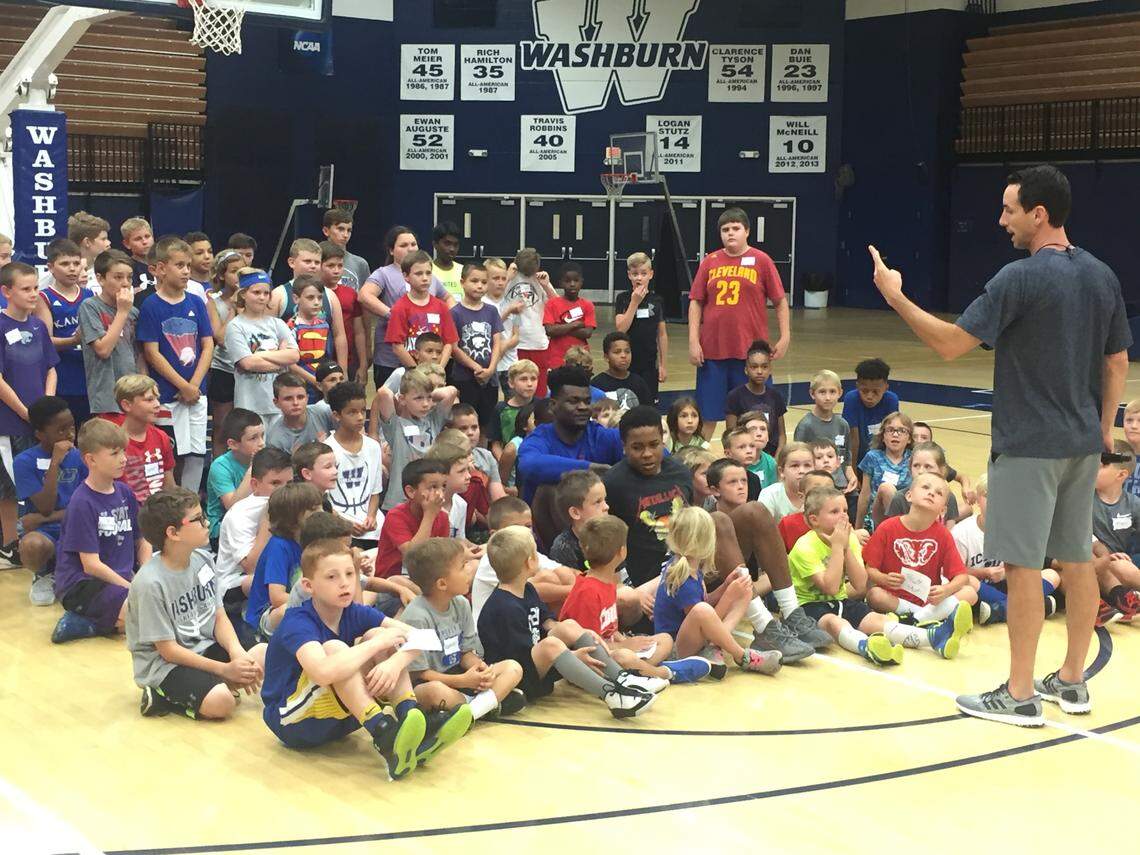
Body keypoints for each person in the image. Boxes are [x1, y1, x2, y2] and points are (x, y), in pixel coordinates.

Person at [260, 538, 456, 780]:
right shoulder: (297, 621)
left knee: (377, 633)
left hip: (343, 722)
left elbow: (425, 639)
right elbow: (322, 672)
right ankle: (385, 735)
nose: (344, 583)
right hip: (291, 722)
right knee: (337, 647)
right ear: (309, 586)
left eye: (350, 574)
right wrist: (378, 644)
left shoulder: (354, 612)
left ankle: (410, 719)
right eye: (332, 577)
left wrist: (394, 662)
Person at [477, 525, 659, 716]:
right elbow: (522, 659)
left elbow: (547, 623)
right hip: (518, 681)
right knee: (551, 645)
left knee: (568, 626)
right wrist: (568, 659)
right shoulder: (504, 607)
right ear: (529, 562)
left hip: (533, 666)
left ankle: (623, 678)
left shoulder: (527, 590)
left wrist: (581, 632)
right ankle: (612, 695)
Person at [129, 488, 267, 720]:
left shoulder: (202, 559)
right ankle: (161, 694)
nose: (207, 522)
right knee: (221, 703)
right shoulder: (150, 583)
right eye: (198, 519)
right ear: (173, 532)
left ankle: (216, 683)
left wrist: (237, 652)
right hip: (165, 664)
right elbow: (168, 651)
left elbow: (219, 616)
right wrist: (224, 669)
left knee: (261, 654)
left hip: (203, 646)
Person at [688, 208, 789, 441]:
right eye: (725, 229)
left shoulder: (762, 260)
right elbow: (696, 302)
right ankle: (695, 463)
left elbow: (780, 302)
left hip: (750, 354)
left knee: (755, 416)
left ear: (747, 231)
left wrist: (785, 337)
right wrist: (693, 341)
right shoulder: (710, 261)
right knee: (707, 416)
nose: (730, 233)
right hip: (712, 351)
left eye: (735, 228)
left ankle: (759, 464)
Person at [401, 537, 527, 719]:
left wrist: (481, 670)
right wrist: (461, 680)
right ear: (442, 584)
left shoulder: (461, 604)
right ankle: (487, 706)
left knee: (513, 668)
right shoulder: (417, 617)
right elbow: (419, 674)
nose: (469, 570)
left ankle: (471, 712)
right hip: (432, 682)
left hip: (461, 678)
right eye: (463, 566)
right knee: (432, 692)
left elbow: (465, 653)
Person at [787, 486, 907, 665]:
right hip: (808, 606)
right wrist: (837, 547)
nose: (843, 516)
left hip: (840, 600)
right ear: (815, 519)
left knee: (875, 619)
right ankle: (867, 646)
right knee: (833, 622)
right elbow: (830, 587)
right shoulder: (804, 546)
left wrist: (846, 547)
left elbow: (860, 585)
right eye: (835, 511)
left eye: (844, 510)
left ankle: (931, 638)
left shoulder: (848, 538)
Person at [653, 508, 782, 673]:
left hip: (693, 638)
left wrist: (725, 586)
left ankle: (713, 649)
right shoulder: (683, 578)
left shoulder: (688, 565)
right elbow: (704, 617)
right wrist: (728, 596)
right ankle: (743, 656)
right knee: (704, 610)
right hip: (675, 651)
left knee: (746, 591)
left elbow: (703, 605)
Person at [862, 473, 977, 659]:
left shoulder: (943, 535)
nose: (931, 493)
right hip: (894, 598)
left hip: (929, 600)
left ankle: (913, 622)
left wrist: (946, 590)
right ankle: (930, 621)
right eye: (925, 488)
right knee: (874, 595)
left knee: (970, 593)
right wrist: (883, 578)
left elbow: (961, 577)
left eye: (938, 493)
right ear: (908, 495)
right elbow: (869, 568)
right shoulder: (887, 528)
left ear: (943, 510)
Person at [50, 419, 145, 643]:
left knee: (149, 612)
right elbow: (90, 565)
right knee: (145, 615)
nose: (123, 459)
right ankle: (89, 620)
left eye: (123, 451)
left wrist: (145, 576)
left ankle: (92, 623)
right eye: (114, 453)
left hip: (119, 581)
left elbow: (142, 539)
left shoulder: (124, 492)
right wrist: (133, 588)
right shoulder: (82, 502)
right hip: (82, 583)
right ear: (91, 460)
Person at [136, 236, 214, 494]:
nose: (186, 271)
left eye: (188, 266)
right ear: (160, 269)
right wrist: (182, 385)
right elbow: (151, 352)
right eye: (179, 265)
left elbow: (208, 345)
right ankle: (168, 502)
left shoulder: (195, 302)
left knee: (196, 453)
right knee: (171, 454)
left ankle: (190, 501)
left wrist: (194, 385)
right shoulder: (151, 305)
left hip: (196, 393)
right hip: (168, 395)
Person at [0, 261, 59, 565]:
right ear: (6, 292)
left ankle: (35, 540)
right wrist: (26, 411)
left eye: (36, 287)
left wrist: (46, 406)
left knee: (38, 482)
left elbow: (50, 367)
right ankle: (11, 544)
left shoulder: (37, 325)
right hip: (9, 422)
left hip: (38, 422)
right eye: (26, 289)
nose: (34, 294)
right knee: (11, 485)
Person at [602, 406, 693, 587]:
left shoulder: (680, 472)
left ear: (663, 441)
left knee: (721, 521)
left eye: (654, 444)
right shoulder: (613, 483)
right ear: (624, 446)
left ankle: (758, 611)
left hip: (686, 559)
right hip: (645, 575)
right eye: (637, 447)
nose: (647, 454)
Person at [953, 473, 1061, 626]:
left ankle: (1000, 610)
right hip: (979, 588)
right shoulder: (961, 533)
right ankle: (1031, 606)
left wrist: (1007, 571)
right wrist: (984, 573)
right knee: (968, 582)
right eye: (988, 495)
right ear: (977, 499)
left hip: (1008, 585)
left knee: (1052, 575)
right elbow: (954, 573)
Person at [360, 225, 453, 389]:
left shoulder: (428, 275)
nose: (410, 249)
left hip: (429, 358)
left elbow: (447, 298)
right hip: (391, 358)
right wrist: (393, 315)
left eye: (413, 244)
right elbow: (364, 296)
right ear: (391, 250)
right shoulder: (384, 273)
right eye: (403, 245)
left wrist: (451, 317)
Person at [516, 366, 624, 508]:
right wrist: (591, 468)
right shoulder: (540, 438)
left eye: (587, 401)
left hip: (601, 523)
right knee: (549, 489)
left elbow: (655, 453)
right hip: (549, 525)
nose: (583, 407)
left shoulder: (602, 435)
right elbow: (528, 465)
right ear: (553, 405)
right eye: (574, 401)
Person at [215, 447, 294, 635]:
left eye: (289, 483)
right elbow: (252, 566)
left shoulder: (294, 502)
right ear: (255, 484)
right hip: (235, 584)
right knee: (258, 581)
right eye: (275, 483)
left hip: (279, 573)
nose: (283, 490)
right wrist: (268, 519)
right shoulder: (239, 515)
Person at [14, 397, 85, 606]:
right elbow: (45, 506)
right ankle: (44, 574)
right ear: (39, 434)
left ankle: (73, 572)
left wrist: (40, 518)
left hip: (76, 524)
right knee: (32, 545)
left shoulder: (82, 457)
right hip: (45, 531)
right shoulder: (24, 462)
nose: (70, 434)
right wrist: (55, 462)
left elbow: (87, 506)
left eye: (72, 426)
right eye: (61, 430)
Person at [245, 481, 324, 638]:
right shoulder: (279, 547)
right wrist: (321, 598)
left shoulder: (314, 539)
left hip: (307, 605)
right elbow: (277, 598)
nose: (322, 513)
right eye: (314, 510)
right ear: (292, 518)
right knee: (285, 611)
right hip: (268, 615)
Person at [225, 269, 300, 431]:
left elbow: (294, 355)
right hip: (250, 402)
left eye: (266, 293)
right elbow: (247, 363)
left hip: (278, 402)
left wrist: (260, 356)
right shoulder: (236, 326)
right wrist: (280, 358)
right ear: (244, 294)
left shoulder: (277, 324)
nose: (262, 297)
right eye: (256, 292)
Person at [374, 366, 457, 511]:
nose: (425, 404)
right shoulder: (396, 425)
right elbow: (383, 393)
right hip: (399, 501)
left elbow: (452, 392)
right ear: (402, 399)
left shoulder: (433, 420)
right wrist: (410, 389)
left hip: (428, 499)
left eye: (429, 398)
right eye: (418, 398)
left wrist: (425, 390)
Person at [35, 238, 95, 423]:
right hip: (63, 376)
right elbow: (45, 342)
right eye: (65, 264)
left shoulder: (90, 295)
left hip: (90, 375)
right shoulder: (43, 297)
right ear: (51, 267)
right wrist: (74, 340)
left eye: (76, 263)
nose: (72, 268)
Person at [101, 374, 176, 506]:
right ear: (127, 405)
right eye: (149, 400)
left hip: (158, 513)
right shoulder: (112, 441)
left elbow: (169, 483)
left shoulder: (161, 437)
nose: (157, 405)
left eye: (157, 398)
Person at [325, 381, 384, 548]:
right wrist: (344, 522)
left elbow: (375, 490)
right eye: (352, 412)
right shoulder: (327, 450)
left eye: (362, 411)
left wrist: (371, 516)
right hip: (339, 528)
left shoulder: (372, 446)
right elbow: (323, 499)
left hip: (372, 526)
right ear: (337, 415)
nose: (360, 417)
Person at [79, 250, 138, 417]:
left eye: (129, 277)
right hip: (106, 397)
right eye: (118, 277)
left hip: (133, 393)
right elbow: (103, 350)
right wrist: (121, 313)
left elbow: (138, 354)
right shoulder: (90, 306)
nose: (125, 283)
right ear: (100, 278)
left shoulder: (132, 312)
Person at [450, 262, 503, 435]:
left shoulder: (492, 311)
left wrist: (491, 369)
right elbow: (454, 347)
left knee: (485, 423)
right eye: (474, 281)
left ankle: (482, 455)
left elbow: (496, 342)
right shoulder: (455, 313)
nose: (479, 286)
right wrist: (476, 368)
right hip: (465, 378)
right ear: (462, 282)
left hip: (490, 379)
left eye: (483, 282)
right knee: (464, 423)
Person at [374, 458, 450, 579]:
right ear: (411, 491)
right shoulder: (396, 516)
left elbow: (442, 556)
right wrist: (429, 515)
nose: (440, 493)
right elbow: (413, 556)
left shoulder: (443, 517)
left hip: (426, 579)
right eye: (433, 487)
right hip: (392, 583)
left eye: (443, 487)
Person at [1090, 443, 1140, 622]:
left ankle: (1124, 599)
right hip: (1089, 561)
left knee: (1123, 566)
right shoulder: (1083, 499)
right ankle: (1123, 598)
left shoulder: (1133, 504)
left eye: (1103, 464)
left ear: (1121, 475)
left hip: (1116, 563)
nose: (1093, 467)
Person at [386, 250, 459, 371]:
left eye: (428, 273)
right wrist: (417, 372)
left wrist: (439, 369)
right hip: (412, 373)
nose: (425, 278)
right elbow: (397, 346)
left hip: (437, 372)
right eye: (418, 274)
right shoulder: (400, 308)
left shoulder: (441, 306)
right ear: (406, 276)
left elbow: (449, 343)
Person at [613, 252, 667, 404]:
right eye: (635, 274)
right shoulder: (623, 298)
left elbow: (662, 334)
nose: (639, 278)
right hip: (628, 362)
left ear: (650, 274)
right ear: (629, 275)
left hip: (649, 362)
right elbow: (621, 328)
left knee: (649, 403)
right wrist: (634, 302)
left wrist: (663, 365)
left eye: (643, 273)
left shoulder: (657, 300)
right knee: (628, 403)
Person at [206, 409, 265, 544]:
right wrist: (252, 468)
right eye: (253, 438)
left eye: (262, 435)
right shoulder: (220, 466)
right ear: (233, 444)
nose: (261, 443)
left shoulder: (265, 458)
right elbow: (233, 507)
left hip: (255, 521)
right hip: (222, 529)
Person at [206, 249, 244, 456]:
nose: (238, 277)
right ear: (222, 275)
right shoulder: (213, 301)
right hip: (223, 369)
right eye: (234, 271)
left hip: (248, 370)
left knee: (246, 427)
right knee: (221, 426)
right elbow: (220, 337)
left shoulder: (255, 298)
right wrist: (234, 307)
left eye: (242, 271)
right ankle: (216, 471)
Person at [795, 370, 856, 497]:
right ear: (812, 394)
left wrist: (852, 477)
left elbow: (847, 460)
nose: (828, 397)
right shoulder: (805, 426)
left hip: (842, 486)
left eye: (832, 392)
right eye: (822, 392)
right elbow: (799, 461)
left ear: (840, 393)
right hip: (818, 487)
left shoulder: (843, 424)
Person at [507, 248, 558, 398]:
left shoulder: (539, 280)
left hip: (538, 342)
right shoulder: (509, 279)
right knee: (514, 389)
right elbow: (494, 299)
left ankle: (539, 418)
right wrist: (507, 277)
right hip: (514, 343)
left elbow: (557, 306)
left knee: (539, 389)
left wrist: (547, 285)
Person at [723, 340, 786, 457]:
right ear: (746, 369)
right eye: (754, 367)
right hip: (746, 458)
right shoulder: (735, 396)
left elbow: (782, 435)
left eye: (764, 367)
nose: (759, 371)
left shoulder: (776, 396)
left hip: (772, 458)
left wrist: (775, 460)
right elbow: (731, 436)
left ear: (770, 369)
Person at [318, 241, 368, 384]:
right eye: (330, 266)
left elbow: (359, 331)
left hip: (349, 360)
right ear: (319, 266)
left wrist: (363, 364)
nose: (336, 270)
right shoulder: (312, 294)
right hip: (318, 360)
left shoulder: (350, 294)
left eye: (340, 266)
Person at [855, 411, 914, 529]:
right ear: (883, 436)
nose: (895, 434)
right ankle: (899, 531)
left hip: (907, 513)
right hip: (877, 515)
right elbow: (865, 494)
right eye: (890, 430)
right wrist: (858, 527)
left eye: (902, 431)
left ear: (909, 439)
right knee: (886, 489)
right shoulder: (872, 457)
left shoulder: (914, 459)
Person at [884, 442, 963, 525]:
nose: (921, 471)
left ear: (942, 470)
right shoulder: (899, 498)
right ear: (910, 469)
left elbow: (949, 532)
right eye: (916, 465)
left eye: (928, 466)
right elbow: (893, 531)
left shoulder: (949, 498)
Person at [841, 358, 899, 469]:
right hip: (856, 459)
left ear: (886, 387)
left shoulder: (891, 400)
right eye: (864, 391)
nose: (869, 396)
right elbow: (853, 440)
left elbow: (891, 436)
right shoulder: (851, 399)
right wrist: (853, 472)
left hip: (881, 461)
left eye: (876, 392)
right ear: (857, 385)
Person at [548, 469, 608, 571]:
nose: (606, 506)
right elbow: (571, 585)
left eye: (605, 500)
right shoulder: (563, 549)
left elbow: (622, 576)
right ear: (575, 513)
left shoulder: (609, 536)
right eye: (597, 502)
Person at [543, 262, 595, 368]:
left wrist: (560, 328)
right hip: (556, 358)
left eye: (576, 280)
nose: (572, 284)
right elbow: (550, 331)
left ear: (581, 282)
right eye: (567, 281)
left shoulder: (587, 305)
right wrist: (575, 324)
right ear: (561, 283)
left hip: (581, 359)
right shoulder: (552, 304)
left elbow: (587, 333)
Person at [483, 257, 523, 392]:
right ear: (486, 279)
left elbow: (517, 335)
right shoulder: (482, 303)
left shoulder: (513, 302)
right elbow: (488, 329)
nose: (500, 282)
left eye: (503, 278)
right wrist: (508, 311)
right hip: (489, 363)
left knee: (512, 403)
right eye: (495, 278)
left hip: (510, 363)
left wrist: (504, 346)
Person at [267, 373, 333, 454]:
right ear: (276, 402)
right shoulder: (274, 440)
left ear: (307, 398)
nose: (295, 403)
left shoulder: (323, 412)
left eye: (300, 397)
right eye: (288, 399)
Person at [489, 358, 539, 455]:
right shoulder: (500, 409)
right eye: (523, 379)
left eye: (533, 379)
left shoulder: (542, 406)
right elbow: (496, 444)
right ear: (511, 383)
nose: (529, 384)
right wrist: (503, 464)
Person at [758, 442, 816, 525]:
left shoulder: (821, 494)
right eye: (795, 466)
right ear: (781, 471)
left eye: (807, 465)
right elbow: (763, 529)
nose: (802, 471)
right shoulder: (770, 495)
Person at [592, 331, 651, 410]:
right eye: (617, 352)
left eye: (627, 352)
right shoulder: (597, 384)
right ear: (606, 357)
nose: (623, 356)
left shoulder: (639, 383)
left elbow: (649, 413)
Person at [322, 208, 371, 293]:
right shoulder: (315, 260)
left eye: (349, 230)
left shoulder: (360, 263)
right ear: (326, 231)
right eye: (340, 229)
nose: (345, 235)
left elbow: (365, 299)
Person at [65, 211, 111, 289]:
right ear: (87, 242)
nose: (108, 243)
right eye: (103, 239)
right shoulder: (59, 274)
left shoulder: (107, 271)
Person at [121, 216, 155, 302]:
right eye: (138, 239)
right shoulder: (127, 267)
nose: (144, 242)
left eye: (147, 236)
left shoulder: (162, 263)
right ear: (127, 244)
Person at [431, 220, 464, 301]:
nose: (452, 249)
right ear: (435, 244)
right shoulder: (428, 271)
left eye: (455, 244)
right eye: (447, 243)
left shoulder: (464, 270)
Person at [183, 231, 213, 297]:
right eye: (199, 253)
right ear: (188, 257)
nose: (207, 256)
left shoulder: (221, 282)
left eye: (210, 251)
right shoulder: (184, 286)